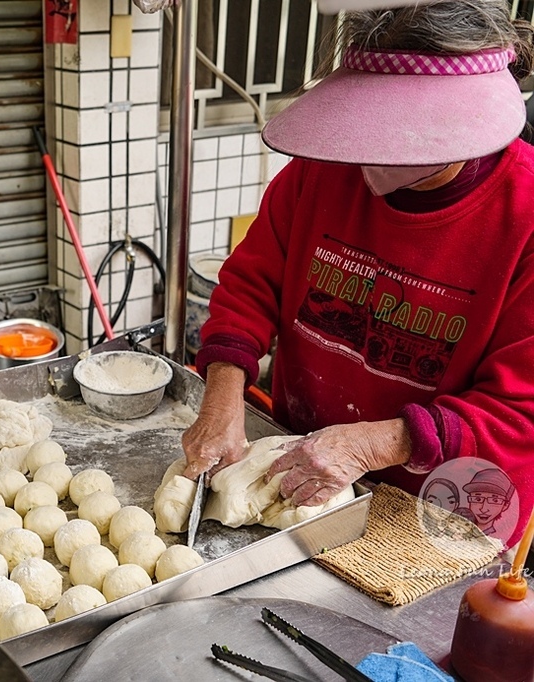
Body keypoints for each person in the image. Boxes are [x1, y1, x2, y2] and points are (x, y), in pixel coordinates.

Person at [182, 0, 534, 547]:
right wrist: (223, 398)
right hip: (306, 476)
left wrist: (370, 446)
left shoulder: (525, 219)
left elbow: (519, 411)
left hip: (446, 515)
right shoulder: (322, 172)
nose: (369, 159)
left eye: (401, 135)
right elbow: (252, 285)